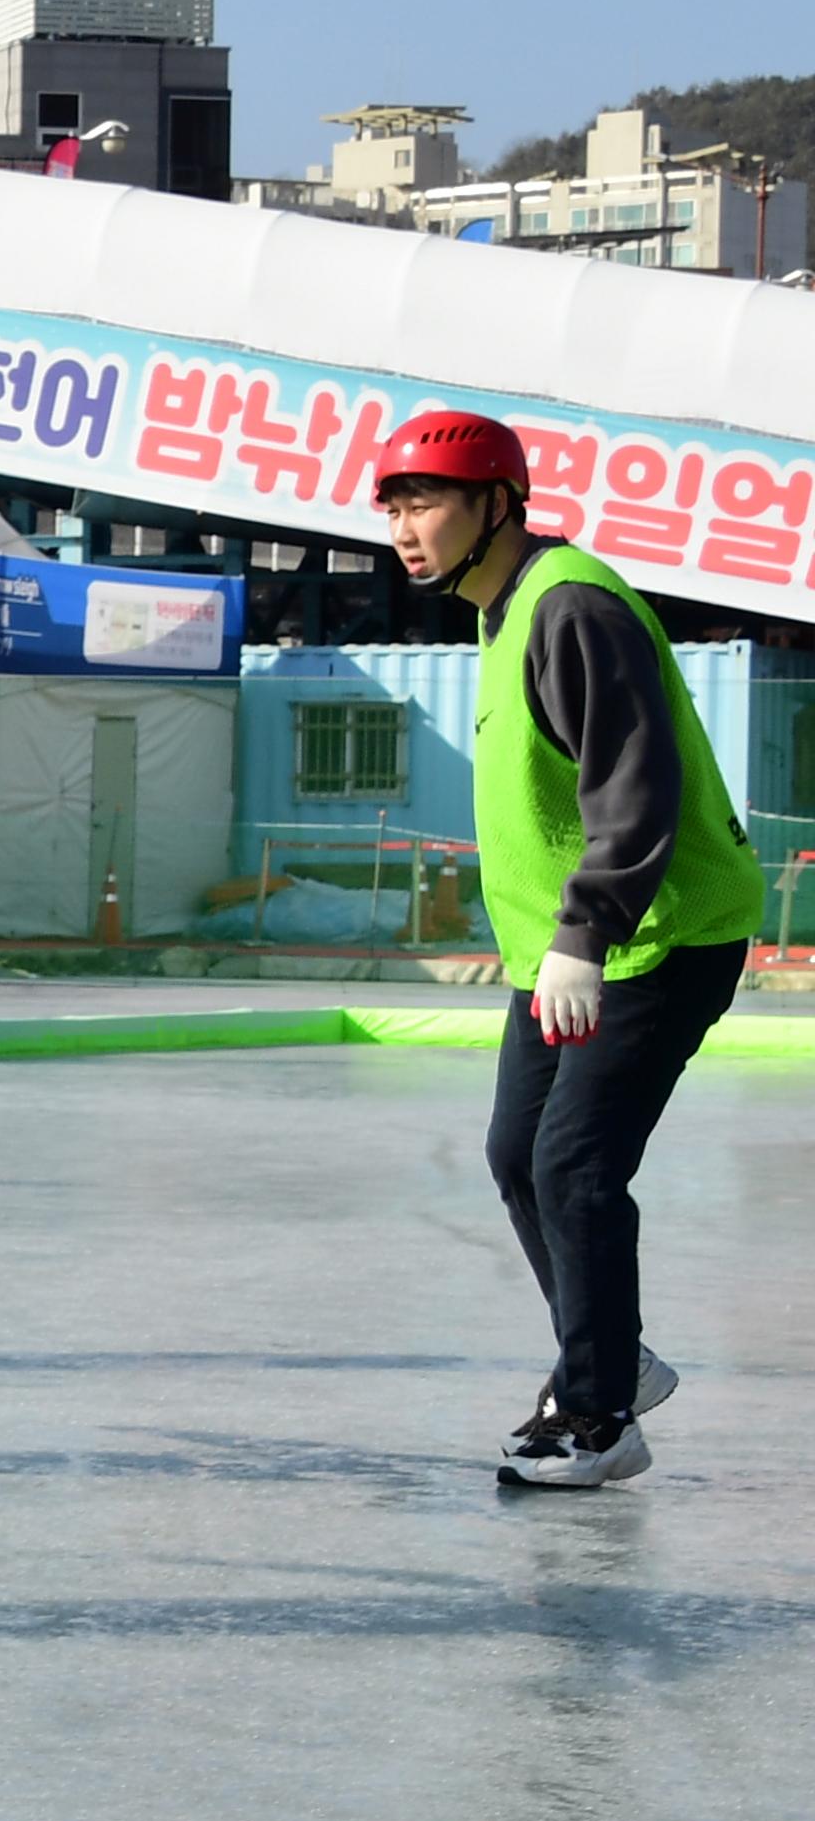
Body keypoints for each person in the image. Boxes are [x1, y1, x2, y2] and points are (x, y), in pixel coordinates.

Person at [373, 411, 764, 1490]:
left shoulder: (570, 605)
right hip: (566, 948)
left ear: (496, 503)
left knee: (576, 1164)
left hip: (660, 934)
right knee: (517, 1154)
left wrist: (587, 932)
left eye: (427, 504)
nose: (406, 529)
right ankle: (614, 1357)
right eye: (394, 508)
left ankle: (598, 1413)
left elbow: (635, 779)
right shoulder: (502, 610)